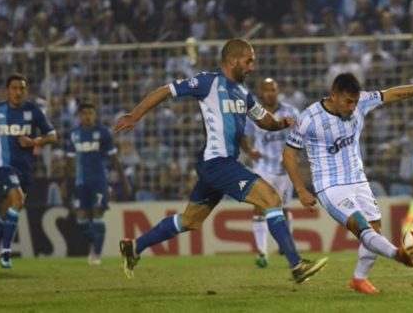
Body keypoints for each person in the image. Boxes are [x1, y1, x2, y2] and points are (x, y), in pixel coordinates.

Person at [114, 38, 327, 283]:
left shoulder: (243, 92)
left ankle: (134, 246)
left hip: (216, 165)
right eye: (249, 61)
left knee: (190, 221)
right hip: (218, 162)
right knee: (271, 199)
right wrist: (134, 115)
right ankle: (296, 264)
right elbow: (165, 90)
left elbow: (263, 120)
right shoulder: (207, 82)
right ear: (232, 60)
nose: (252, 67)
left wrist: (281, 124)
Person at [282, 73, 413, 294]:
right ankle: (397, 254)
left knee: (374, 228)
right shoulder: (309, 118)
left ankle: (359, 279)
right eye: (348, 101)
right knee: (360, 226)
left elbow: (393, 94)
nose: (353, 107)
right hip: (330, 185)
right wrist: (300, 189)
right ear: (333, 96)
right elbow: (288, 154)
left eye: (355, 101)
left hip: (358, 179)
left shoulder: (361, 102)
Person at [0, 74, 57, 274]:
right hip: (3, 166)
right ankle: (6, 250)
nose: (18, 92)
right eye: (14, 88)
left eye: (22, 88)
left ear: (26, 91)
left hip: (26, 170)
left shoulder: (34, 111)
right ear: (7, 90)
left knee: (7, 209)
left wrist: (34, 142)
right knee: (17, 200)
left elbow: (53, 136)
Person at [241, 78, 300, 268]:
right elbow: (242, 134)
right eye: (266, 90)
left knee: (283, 209)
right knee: (260, 207)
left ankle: (284, 244)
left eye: (273, 89)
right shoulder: (255, 113)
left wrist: (294, 153)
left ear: (278, 91)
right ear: (260, 92)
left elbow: (301, 134)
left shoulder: (291, 112)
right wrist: (249, 151)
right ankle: (262, 252)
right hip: (263, 168)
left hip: (285, 169)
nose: (270, 93)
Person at [66, 103, 131, 265]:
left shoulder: (103, 133)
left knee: (96, 217)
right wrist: (66, 183)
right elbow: (70, 161)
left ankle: (96, 253)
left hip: (99, 182)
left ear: (95, 115)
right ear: (79, 116)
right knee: (81, 220)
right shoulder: (74, 134)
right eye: (84, 113)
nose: (87, 116)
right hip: (81, 182)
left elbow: (114, 159)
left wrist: (124, 182)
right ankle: (96, 242)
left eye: (90, 113)